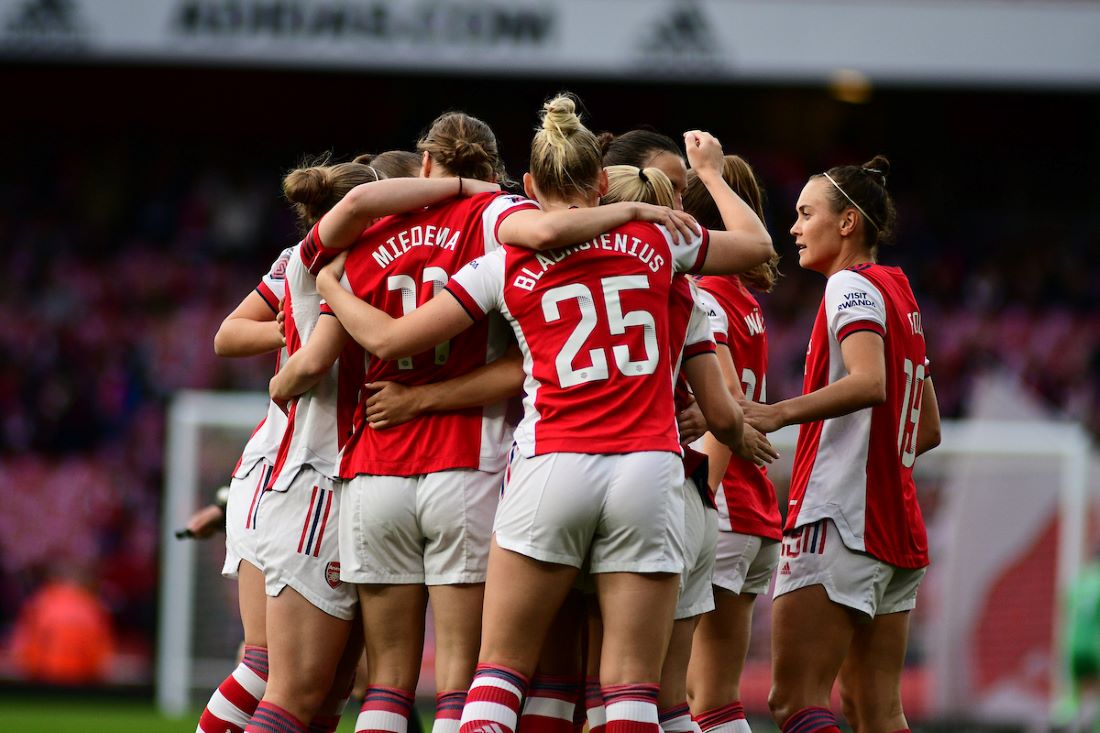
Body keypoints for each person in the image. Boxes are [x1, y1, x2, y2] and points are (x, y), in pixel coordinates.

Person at [315, 93, 774, 733]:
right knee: (632, 691)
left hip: (552, 464)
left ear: (529, 185)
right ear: (597, 180)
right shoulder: (658, 243)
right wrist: (714, 177)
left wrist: (331, 287)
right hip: (648, 472)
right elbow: (756, 246)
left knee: (499, 674)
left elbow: (392, 341)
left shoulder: (505, 257)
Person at [740, 156, 941, 733]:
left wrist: (779, 412)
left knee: (794, 702)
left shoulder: (849, 285)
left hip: (840, 520)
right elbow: (926, 428)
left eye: (806, 214)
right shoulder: (900, 294)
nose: (795, 228)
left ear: (848, 223)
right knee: (872, 708)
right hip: (895, 526)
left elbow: (869, 382)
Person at [685, 155, 783, 733]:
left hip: (720, 512)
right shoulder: (745, 300)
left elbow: (722, 405)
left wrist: (700, 497)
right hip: (755, 518)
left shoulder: (707, 293)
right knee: (714, 699)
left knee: (678, 691)